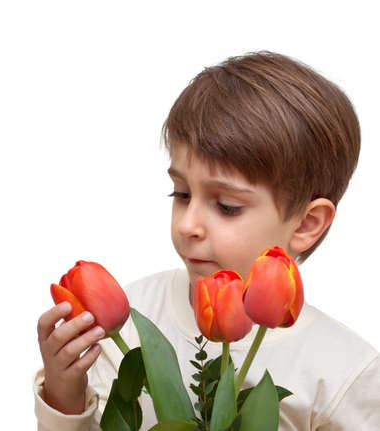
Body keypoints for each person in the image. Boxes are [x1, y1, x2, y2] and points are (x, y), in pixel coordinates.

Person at [34, 51, 380, 430]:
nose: (188, 224)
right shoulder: (135, 316)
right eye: (181, 194)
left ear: (306, 224)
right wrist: (64, 393)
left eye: (227, 206)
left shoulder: (344, 371)